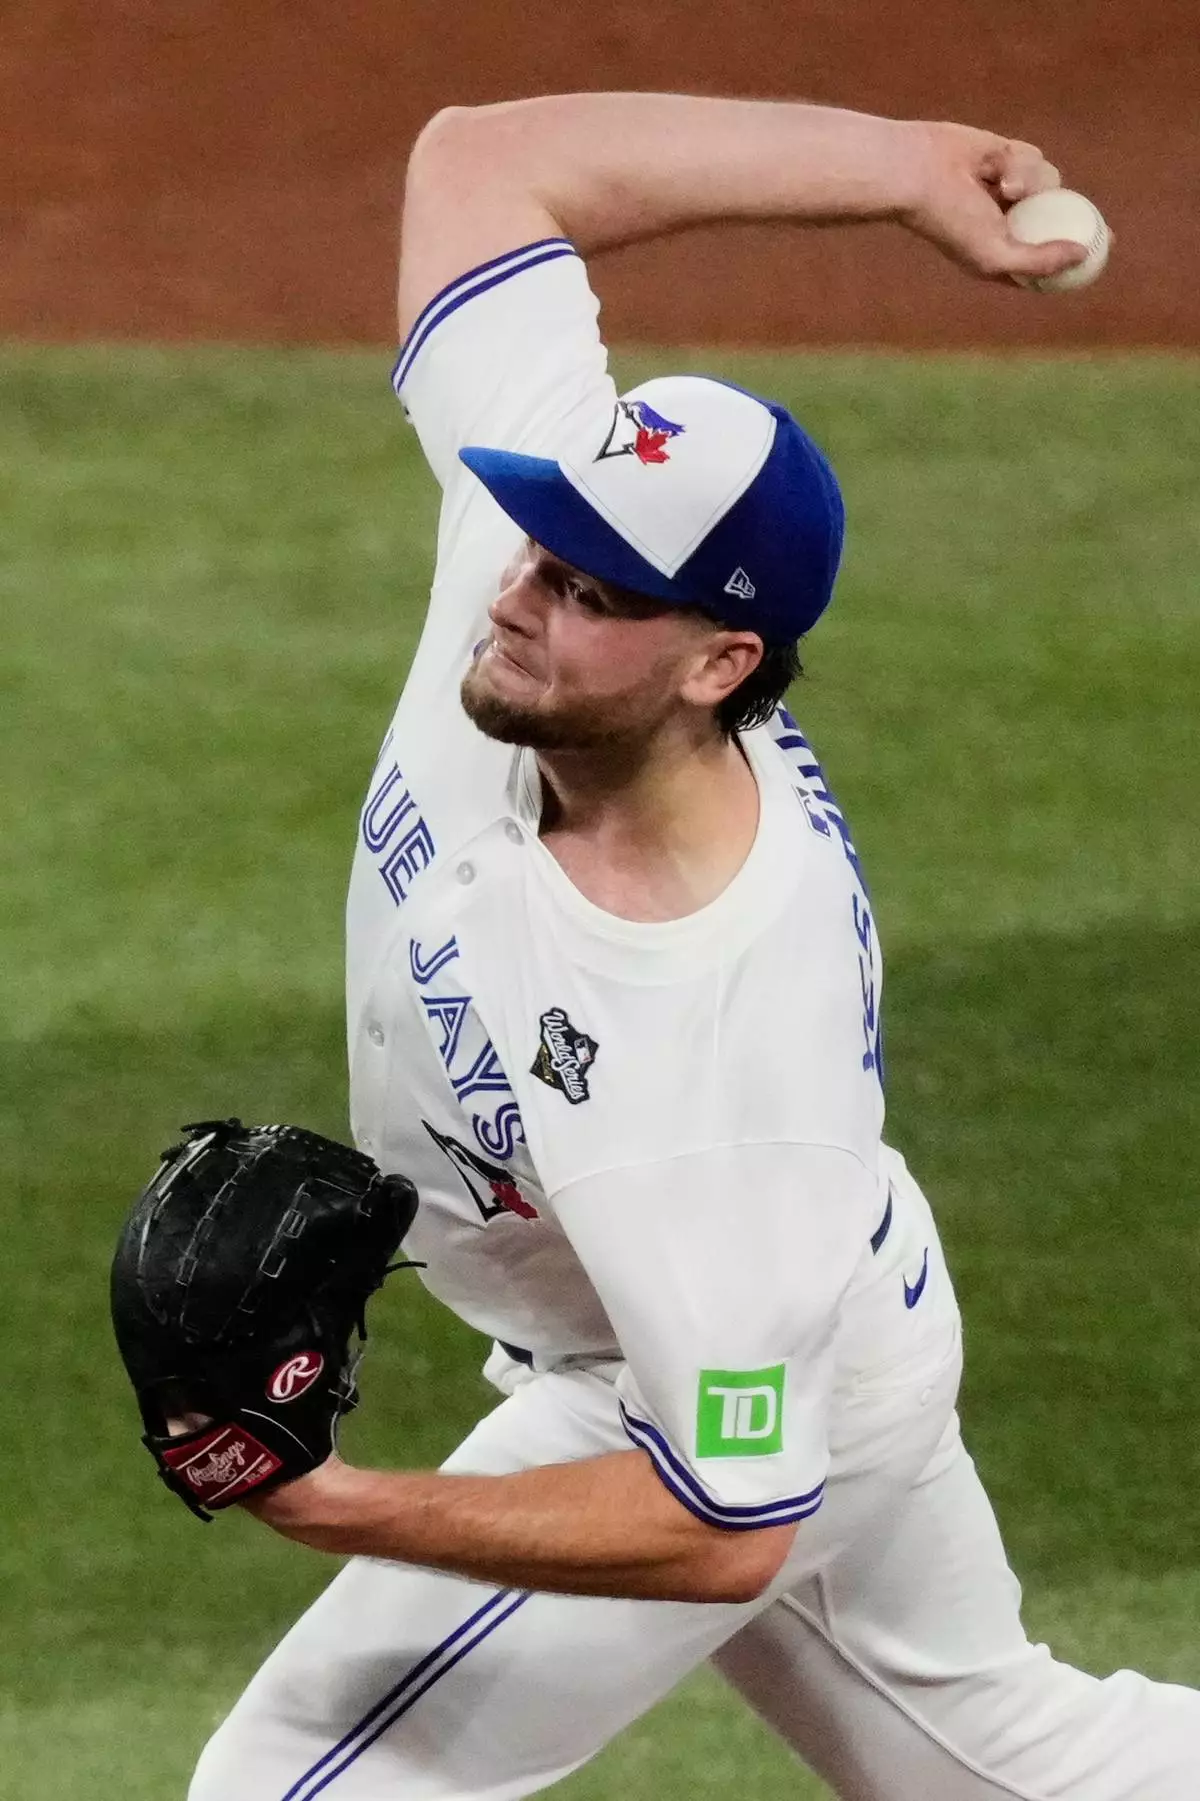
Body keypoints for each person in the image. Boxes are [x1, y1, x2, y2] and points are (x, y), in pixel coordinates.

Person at [188, 94, 1199, 1800]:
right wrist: (896, 175)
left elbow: (724, 1515)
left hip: (708, 1377)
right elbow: (481, 163)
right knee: (1008, 1767)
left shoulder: (709, 1046)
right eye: (540, 537)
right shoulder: (548, 579)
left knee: (307, 1784)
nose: (520, 590)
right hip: (815, 1305)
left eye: (593, 591)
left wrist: (325, 1497)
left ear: (718, 663)